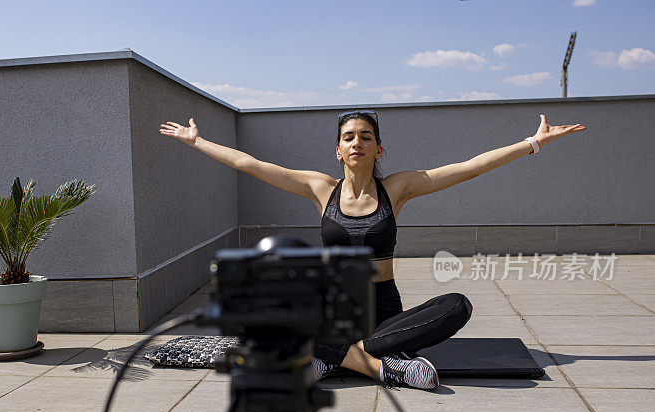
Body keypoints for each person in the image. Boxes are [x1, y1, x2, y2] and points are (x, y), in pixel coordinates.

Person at [159, 110, 586, 390]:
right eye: (349, 137)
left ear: (378, 148)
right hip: (333, 306)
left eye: (366, 136)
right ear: (339, 149)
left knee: (457, 305)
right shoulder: (318, 187)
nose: (357, 142)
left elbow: (470, 167)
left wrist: (531, 143)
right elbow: (250, 164)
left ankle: (331, 359)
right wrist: (197, 142)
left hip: (383, 308)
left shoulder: (396, 188)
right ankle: (387, 369)